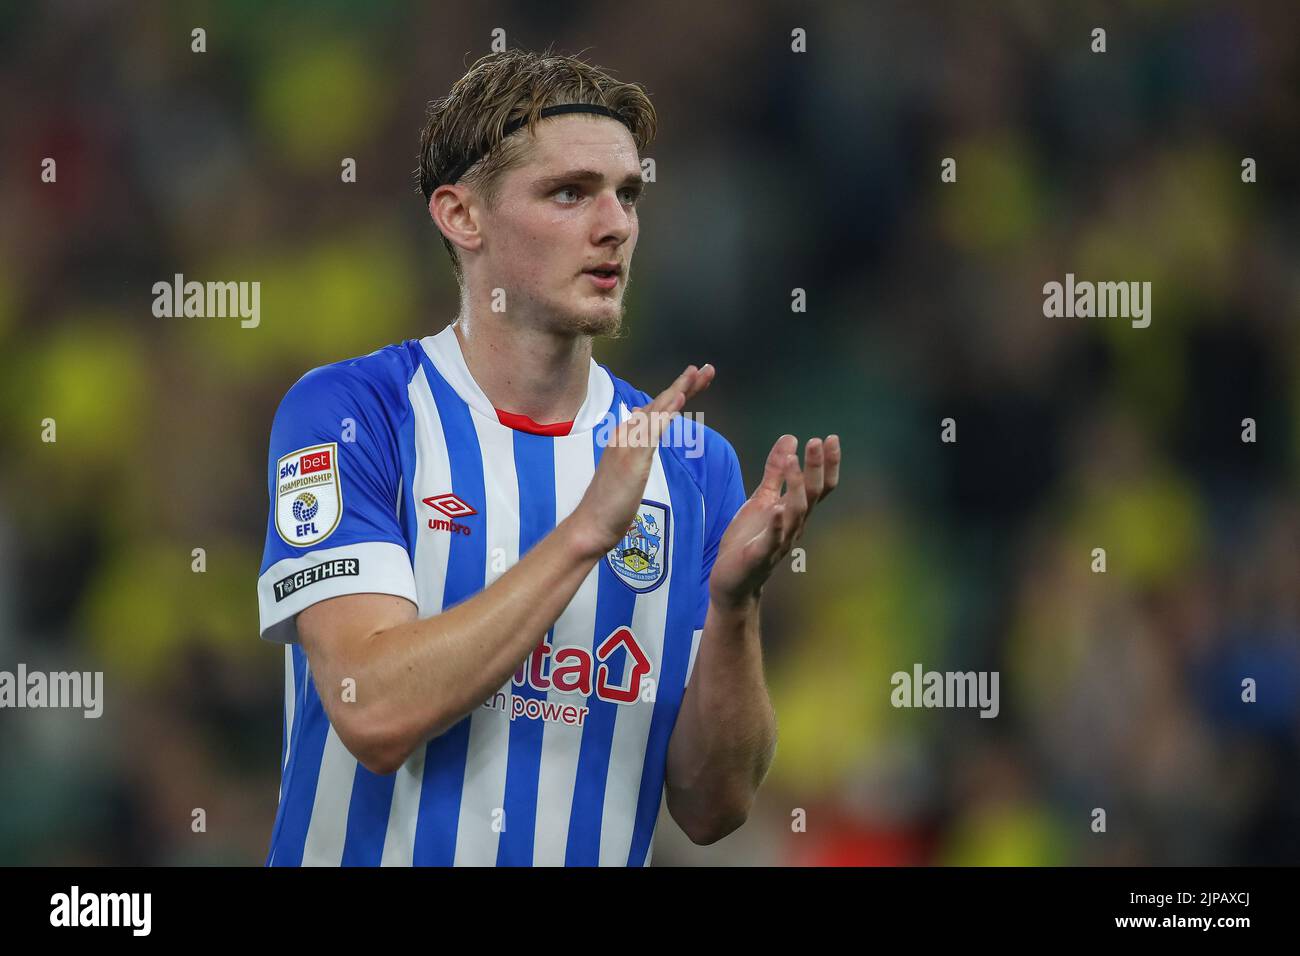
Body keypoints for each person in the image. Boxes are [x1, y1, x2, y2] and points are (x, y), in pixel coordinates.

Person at [256, 48, 840, 866]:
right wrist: (582, 535)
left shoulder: (689, 462)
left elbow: (713, 805)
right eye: (570, 193)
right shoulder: (355, 414)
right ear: (462, 217)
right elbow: (372, 712)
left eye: (628, 195)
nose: (616, 226)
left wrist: (737, 609)